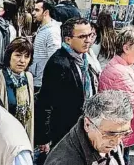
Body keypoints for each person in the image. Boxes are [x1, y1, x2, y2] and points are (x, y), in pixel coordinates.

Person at [35, 17, 98, 153]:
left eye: (90, 35)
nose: (88, 40)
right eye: (82, 36)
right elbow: (45, 102)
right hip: (63, 132)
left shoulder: (85, 58)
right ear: (68, 39)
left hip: (83, 127)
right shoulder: (59, 63)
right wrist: (44, 138)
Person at [98, 26, 134, 161]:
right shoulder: (119, 72)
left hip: (121, 132)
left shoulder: (124, 67)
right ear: (126, 48)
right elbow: (132, 106)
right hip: (119, 133)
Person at [0, 37, 36, 144]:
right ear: (9, 56)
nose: (22, 60)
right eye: (18, 55)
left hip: (22, 137)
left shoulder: (28, 77)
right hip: (3, 140)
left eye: (26, 56)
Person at [30, 0, 61, 92]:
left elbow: (54, 60)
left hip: (41, 83)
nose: (33, 13)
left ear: (46, 12)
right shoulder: (43, 28)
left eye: (37, 10)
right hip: (37, 79)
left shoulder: (52, 32)